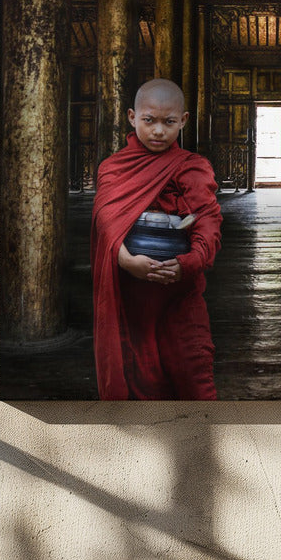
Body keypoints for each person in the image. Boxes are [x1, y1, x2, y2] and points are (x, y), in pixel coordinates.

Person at [90, 78, 222, 400]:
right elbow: (105, 223)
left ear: (184, 121)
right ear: (133, 117)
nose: (159, 131)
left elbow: (208, 219)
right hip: (130, 298)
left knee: (195, 380)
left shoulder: (192, 166)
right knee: (139, 386)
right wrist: (125, 260)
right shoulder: (113, 168)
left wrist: (187, 263)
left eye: (169, 122)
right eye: (149, 121)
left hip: (180, 295)